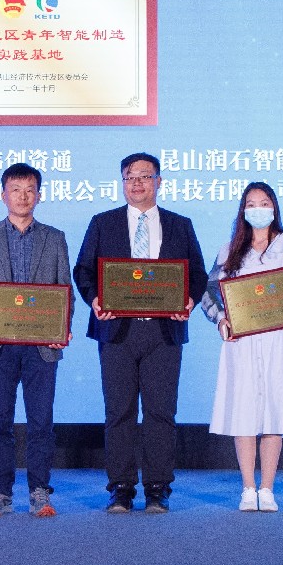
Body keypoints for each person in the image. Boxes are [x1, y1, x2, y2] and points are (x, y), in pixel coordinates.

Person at [73, 152, 208, 514]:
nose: (137, 183)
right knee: (118, 412)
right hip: (117, 330)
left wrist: (189, 300)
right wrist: (95, 298)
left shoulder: (180, 224)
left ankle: (157, 487)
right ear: (122, 183)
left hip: (164, 332)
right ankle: (120, 487)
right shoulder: (103, 223)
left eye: (144, 176)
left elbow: (197, 273)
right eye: (130, 177)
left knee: (161, 412)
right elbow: (83, 270)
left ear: (158, 182)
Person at [0, 163, 74, 518]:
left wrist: (62, 329)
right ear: (3, 195)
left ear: (39, 195)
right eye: (16, 189)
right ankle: (0, 492)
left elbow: (64, 289)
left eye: (29, 190)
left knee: (41, 422)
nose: (23, 196)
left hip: (42, 345)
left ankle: (40, 491)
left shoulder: (54, 238)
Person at [200, 182, 283, 512]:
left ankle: (267, 489)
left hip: (279, 339)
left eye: (264, 203)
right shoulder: (229, 250)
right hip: (243, 341)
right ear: (243, 210)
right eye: (251, 204)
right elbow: (209, 293)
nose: (258, 209)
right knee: (245, 412)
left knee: (275, 410)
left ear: (274, 207)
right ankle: (248, 488)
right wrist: (221, 320)